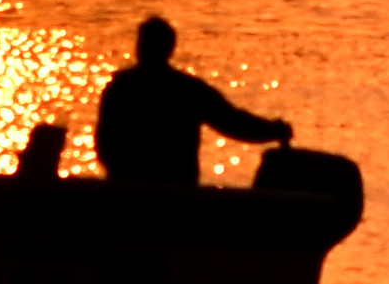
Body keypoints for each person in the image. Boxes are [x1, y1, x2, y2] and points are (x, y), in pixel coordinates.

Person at [89, 15, 291, 191]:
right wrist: (274, 130)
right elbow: (232, 122)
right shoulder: (187, 90)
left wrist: (272, 130)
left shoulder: (120, 88)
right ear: (170, 49)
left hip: (131, 188)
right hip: (174, 190)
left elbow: (103, 145)